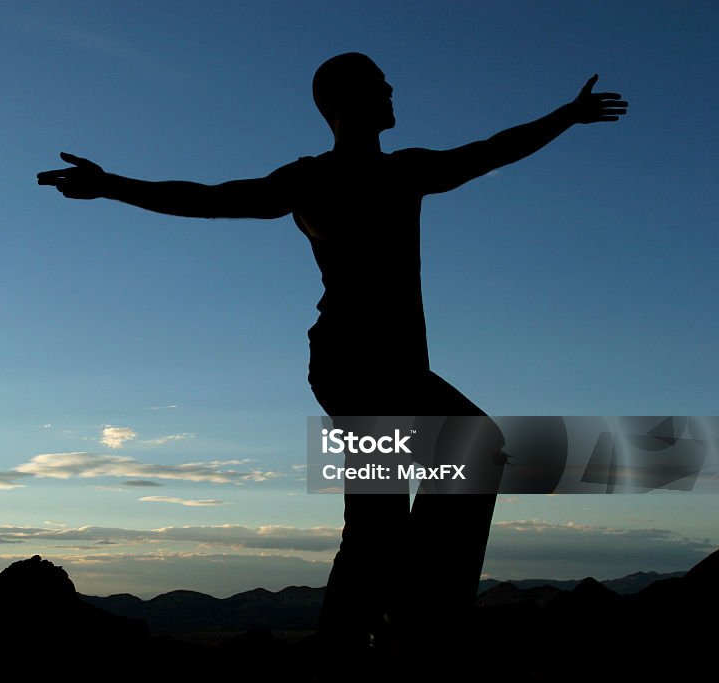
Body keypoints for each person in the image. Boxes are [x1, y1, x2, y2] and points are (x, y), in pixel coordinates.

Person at [37, 52, 627, 650]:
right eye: (380, 85)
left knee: (433, 483)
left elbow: (493, 149)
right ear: (343, 103)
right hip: (354, 361)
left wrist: (566, 115)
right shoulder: (314, 178)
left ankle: (402, 621)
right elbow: (209, 197)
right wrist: (110, 185)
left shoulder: (405, 170)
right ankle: (387, 632)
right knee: (410, 498)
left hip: (392, 364)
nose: (393, 90)